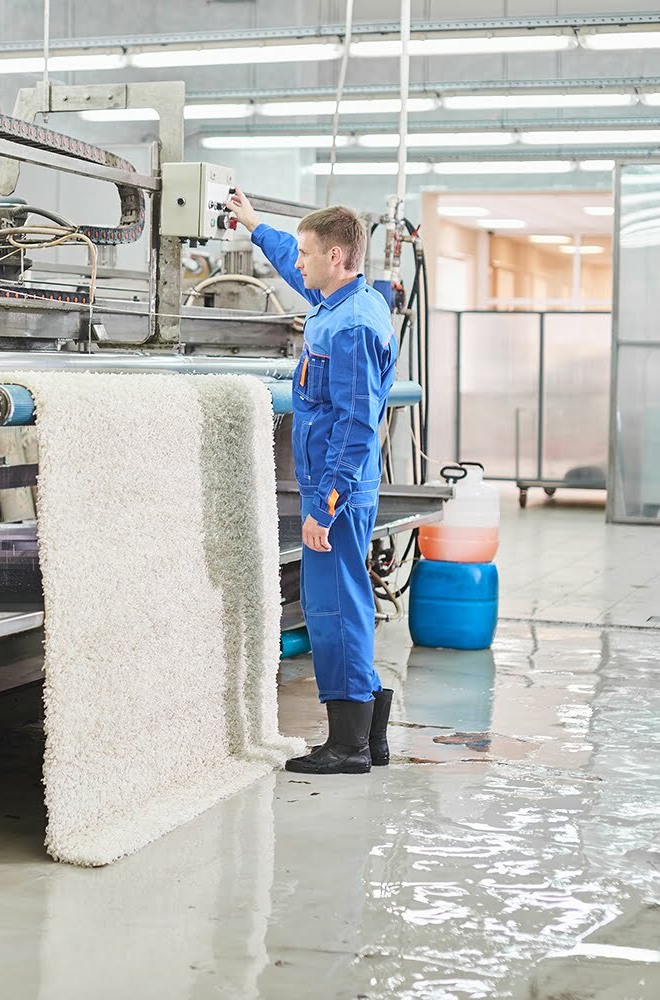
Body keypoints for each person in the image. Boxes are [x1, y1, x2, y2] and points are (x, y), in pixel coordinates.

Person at [227, 190, 397, 775]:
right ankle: (369, 740)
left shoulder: (349, 327)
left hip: (338, 489)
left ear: (338, 256)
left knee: (336, 611)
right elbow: (289, 261)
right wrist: (255, 226)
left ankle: (347, 747)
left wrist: (323, 508)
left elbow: (354, 427)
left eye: (306, 253)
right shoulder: (344, 300)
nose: (297, 263)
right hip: (340, 485)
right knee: (346, 602)